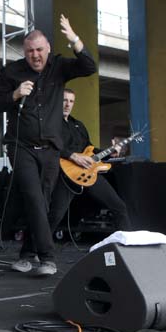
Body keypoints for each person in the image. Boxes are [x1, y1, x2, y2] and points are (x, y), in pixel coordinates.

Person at [0, 14, 97, 276]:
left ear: (48, 49)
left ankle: (27, 254)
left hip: (50, 148)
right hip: (21, 146)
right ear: (24, 53)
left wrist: (73, 38)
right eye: (29, 51)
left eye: (39, 50)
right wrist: (15, 94)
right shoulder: (12, 71)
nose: (35, 55)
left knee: (42, 204)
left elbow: (89, 66)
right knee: (35, 199)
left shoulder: (59, 67)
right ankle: (48, 258)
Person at [48, 88, 131, 234]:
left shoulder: (78, 125)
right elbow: (48, 146)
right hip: (65, 173)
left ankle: (126, 247)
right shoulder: (50, 124)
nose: (68, 104)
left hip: (88, 171)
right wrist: (72, 156)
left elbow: (89, 149)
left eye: (71, 101)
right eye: (64, 100)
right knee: (55, 215)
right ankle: (36, 249)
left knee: (119, 207)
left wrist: (110, 152)